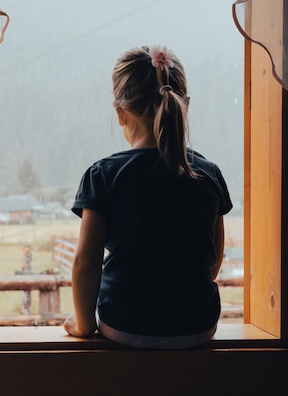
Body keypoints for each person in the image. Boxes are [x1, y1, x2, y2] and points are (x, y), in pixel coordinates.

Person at [63, 45, 232, 349]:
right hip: (199, 325)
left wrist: (83, 326)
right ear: (185, 106)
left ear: (120, 113)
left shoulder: (102, 175)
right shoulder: (209, 174)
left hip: (125, 325)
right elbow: (213, 260)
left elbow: (86, 265)